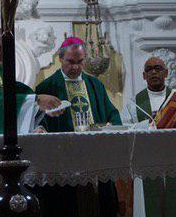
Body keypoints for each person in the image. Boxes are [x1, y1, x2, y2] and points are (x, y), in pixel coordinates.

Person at [35, 37, 121, 215]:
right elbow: (38, 121)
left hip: (96, 154)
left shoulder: (95, 85)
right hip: (63, 157)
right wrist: (40, 128)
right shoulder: (47, 87)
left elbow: (111, 113)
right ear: (60, 59)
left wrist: (112, 125)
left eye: (80, 62)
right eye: (71, 62)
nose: (75, 67)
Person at [133, 56, 176, 217]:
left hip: (174, 159)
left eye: (158, 68)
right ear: (144, 75)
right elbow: (127, 130)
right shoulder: (134, 103)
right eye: (149, 69)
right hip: (146, 161)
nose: (154, 72)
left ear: (166, 73)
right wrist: (148, 124)